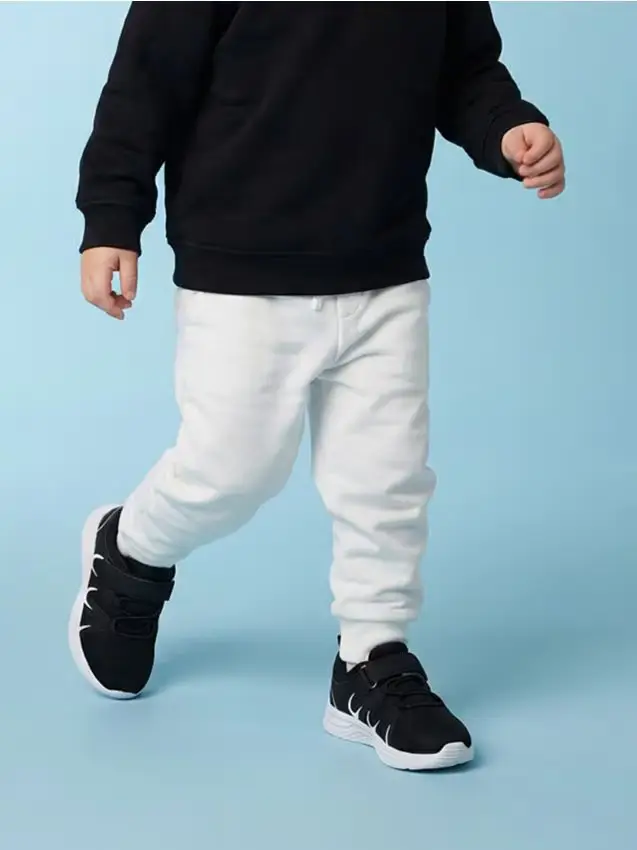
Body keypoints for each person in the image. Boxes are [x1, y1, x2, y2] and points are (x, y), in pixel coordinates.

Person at [71, 2, 565, 772]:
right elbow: (146, 81)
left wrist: (508, 128)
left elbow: (464, 69)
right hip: (241, 269)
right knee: (230, 471)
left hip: (383, 267)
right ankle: (131, 549)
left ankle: (371, 657)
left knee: (386, 479)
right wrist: (112, 216)